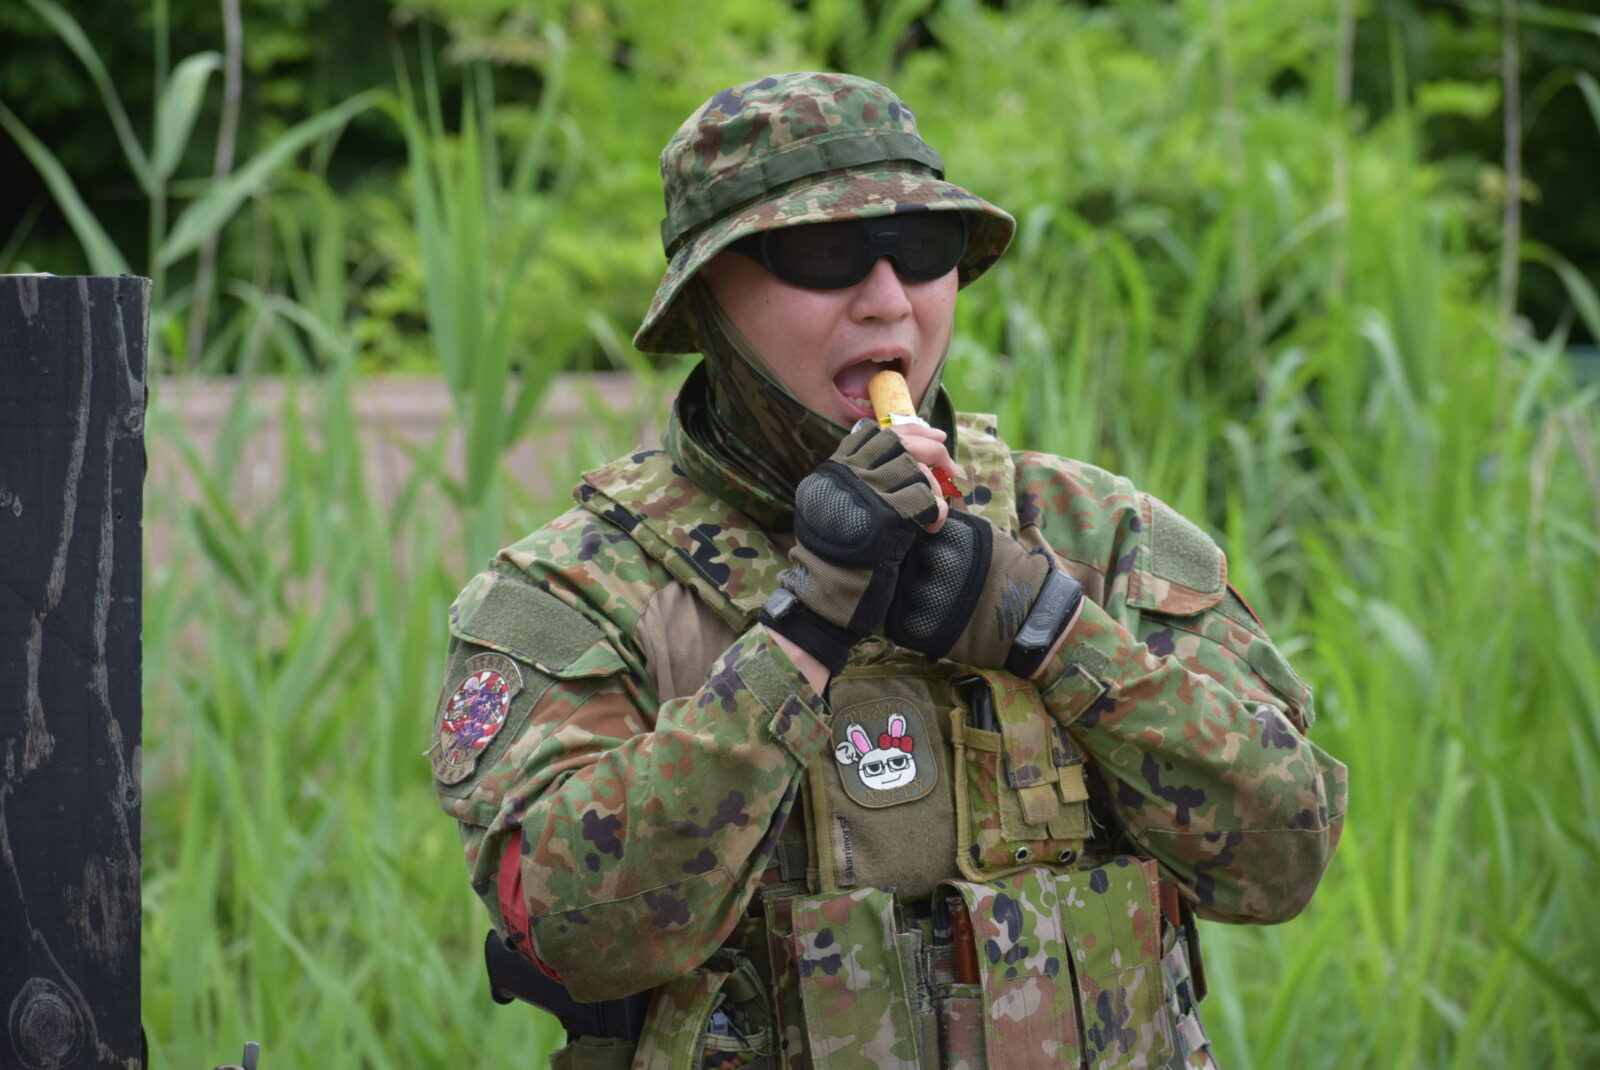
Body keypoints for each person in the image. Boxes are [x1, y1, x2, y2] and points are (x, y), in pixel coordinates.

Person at [428, 71, 1347, 1070]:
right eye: (821, 254)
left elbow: (1284, 857)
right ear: (708, 295)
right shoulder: (581, 590)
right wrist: (803, 629)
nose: (887, 301)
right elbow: (579, 929)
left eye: (921, 249)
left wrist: (1051, 628)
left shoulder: (1093, 534)